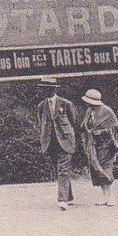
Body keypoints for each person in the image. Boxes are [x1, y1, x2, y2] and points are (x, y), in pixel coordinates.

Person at [36, 77, 78, 211]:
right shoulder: (41, 106)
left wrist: (72, 139)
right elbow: (40, 124)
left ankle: (62, 200)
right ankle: (69, 196)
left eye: (47, 88)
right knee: (59, 171)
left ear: (54, 89)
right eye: (42, 88)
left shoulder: (66, 104)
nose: (44, 91)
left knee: (63, 170)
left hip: (65, 141)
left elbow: (74, 122)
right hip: (50, 143)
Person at [80, 88, 118, 206]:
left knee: (106, 168)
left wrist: (102, 131)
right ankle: (104, 196)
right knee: (97, 169)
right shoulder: (89, 111)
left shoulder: (107, 111)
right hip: (93, 145)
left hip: (106, 145)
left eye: (89, 102)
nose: (87, 103)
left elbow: (115, 126)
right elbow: (85, 125)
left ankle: (111, 196)